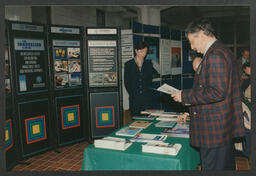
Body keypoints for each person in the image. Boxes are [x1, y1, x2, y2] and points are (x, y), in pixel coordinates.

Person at [171, 18, 245, 171]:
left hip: (214, 130)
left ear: (201, 35)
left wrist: (185, 96)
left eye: (192, 41)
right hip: (222, 127)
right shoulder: (224, 50)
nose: (192, 47)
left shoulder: (215, 55)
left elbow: (217, 92)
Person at [124, 41, 153, 117]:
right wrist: (134, 93)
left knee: (147, 120)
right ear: (136, 51)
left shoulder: (149, 64)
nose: (144, 54)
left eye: (145, 52)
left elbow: (149, 81)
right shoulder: (128, 64)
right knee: (135, 120)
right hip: (134, 99)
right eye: (141, 51)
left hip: (146, 99)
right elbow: (127, 83)